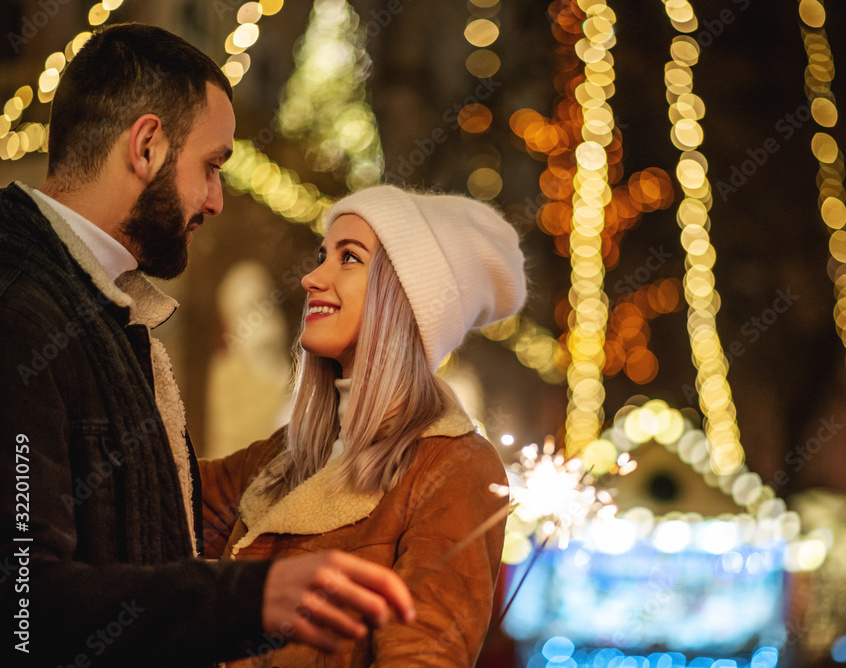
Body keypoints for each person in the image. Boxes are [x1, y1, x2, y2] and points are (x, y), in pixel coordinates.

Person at [0, 24, 413, 667]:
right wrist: (249, 600)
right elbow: (21, 607)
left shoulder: (105, 309)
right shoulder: (20, 311)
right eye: (212, 166)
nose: (216, 200)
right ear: (146, 146)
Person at [199, 185, 527, 667]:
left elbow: (422, 657)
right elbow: (150, 503)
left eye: (348, 258)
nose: (312, 278)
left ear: (407, 296)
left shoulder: (456, 466)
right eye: (322, 255)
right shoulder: (279, 459)